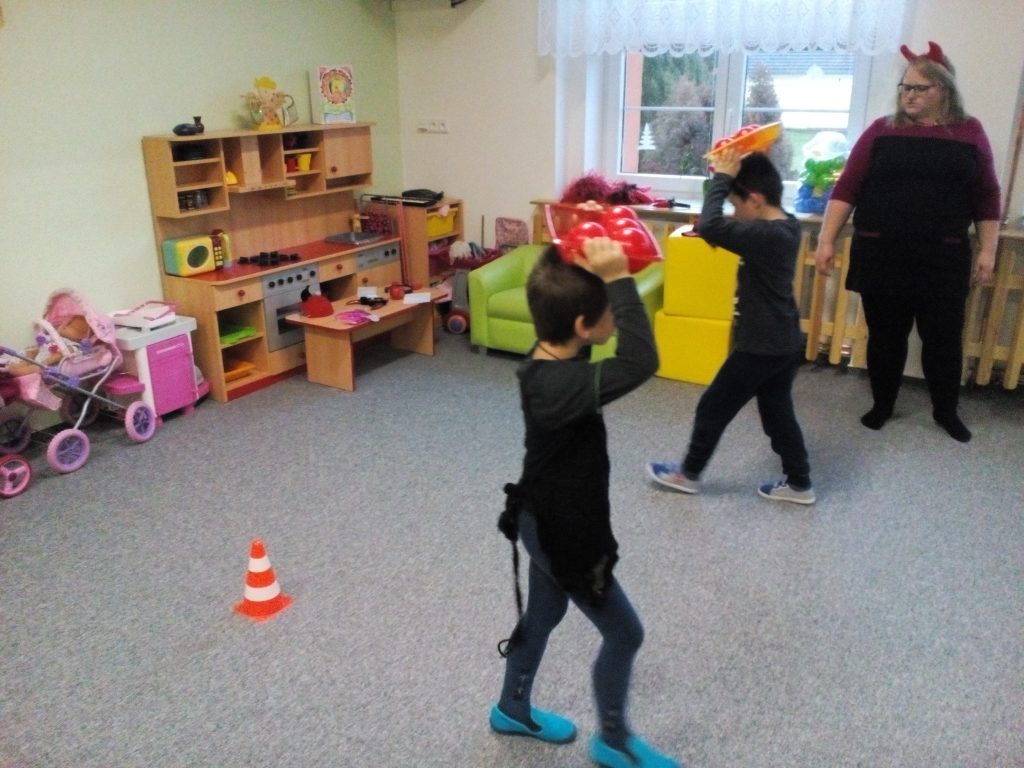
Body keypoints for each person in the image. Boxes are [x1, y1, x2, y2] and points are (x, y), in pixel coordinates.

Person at [491, 235, 679, 768]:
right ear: (582, 326)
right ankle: (613, 741)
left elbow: (594, 333)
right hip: (563, 533)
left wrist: (586, 247)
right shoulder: (563, 386)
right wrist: (619, 280)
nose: (616, 321)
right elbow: (641, 360)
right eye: (609, 314)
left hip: (543, 517)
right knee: (626, 634)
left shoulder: (552, 356)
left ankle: (511, 709)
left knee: (544, 615)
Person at [814, 41, 1001, 443]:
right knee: (885, 337)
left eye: (919, 88)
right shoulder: (881, 130)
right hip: (882, 254)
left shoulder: (970, 131)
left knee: (943, 340)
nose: (909, 95)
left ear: (944, 90)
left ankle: (946, 412)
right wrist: (826, 239)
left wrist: (988, 250)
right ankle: (882, 405)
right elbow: (847, 188)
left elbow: (986, 195)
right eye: (905, 87)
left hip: (943, 257)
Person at [647, 148, 814, 505]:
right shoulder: (786, 225)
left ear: (755, 200)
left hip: (762, 345)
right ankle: (800, 483)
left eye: (736, 205)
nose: (734, 213)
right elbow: (718, 230)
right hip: (782, 340)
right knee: (777, 413)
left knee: (713, 406)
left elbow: (710, 226)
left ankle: (688, 474)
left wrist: (722, 178)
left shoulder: (769, 235)